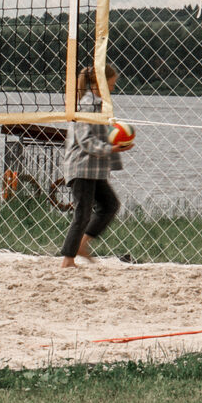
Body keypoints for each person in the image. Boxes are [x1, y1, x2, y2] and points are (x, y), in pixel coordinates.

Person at [59, 62, 131, 268]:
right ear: (99, 83)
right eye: (111, 84)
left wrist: (117, 142)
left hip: (93, 168)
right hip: (81, 167)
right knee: (82, 213)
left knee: (110, 205)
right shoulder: (87, 104)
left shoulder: (100, 104)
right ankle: (68, 260)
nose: (114, 88)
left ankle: (82, 245)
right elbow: (86, 141)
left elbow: (100, 136)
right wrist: (113, 149)